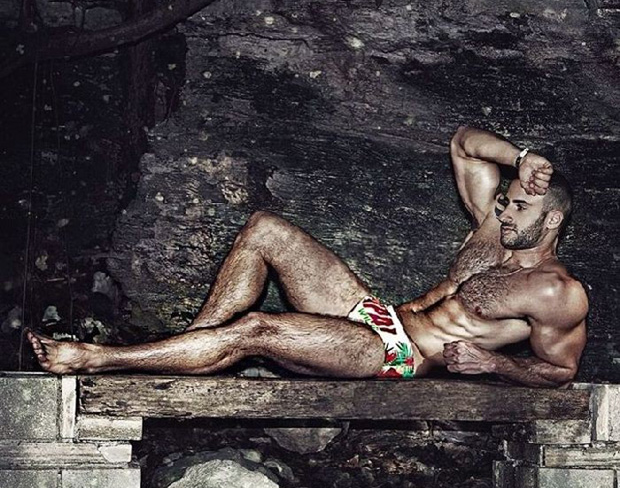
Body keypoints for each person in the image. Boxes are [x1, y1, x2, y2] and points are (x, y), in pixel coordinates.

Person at [27, 126, 588, 388]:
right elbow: (464, 142)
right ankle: (192, 349)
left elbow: (560, 371)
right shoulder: (494, 226)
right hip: (381, 315)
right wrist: (521, 155)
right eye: (507, 201)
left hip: (398, 354)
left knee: (258, 329)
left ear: (552, 220)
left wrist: (494, 364)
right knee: (265, 229)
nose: (505, 213)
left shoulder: (555, 292)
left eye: (518, 207)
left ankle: (96, 359)